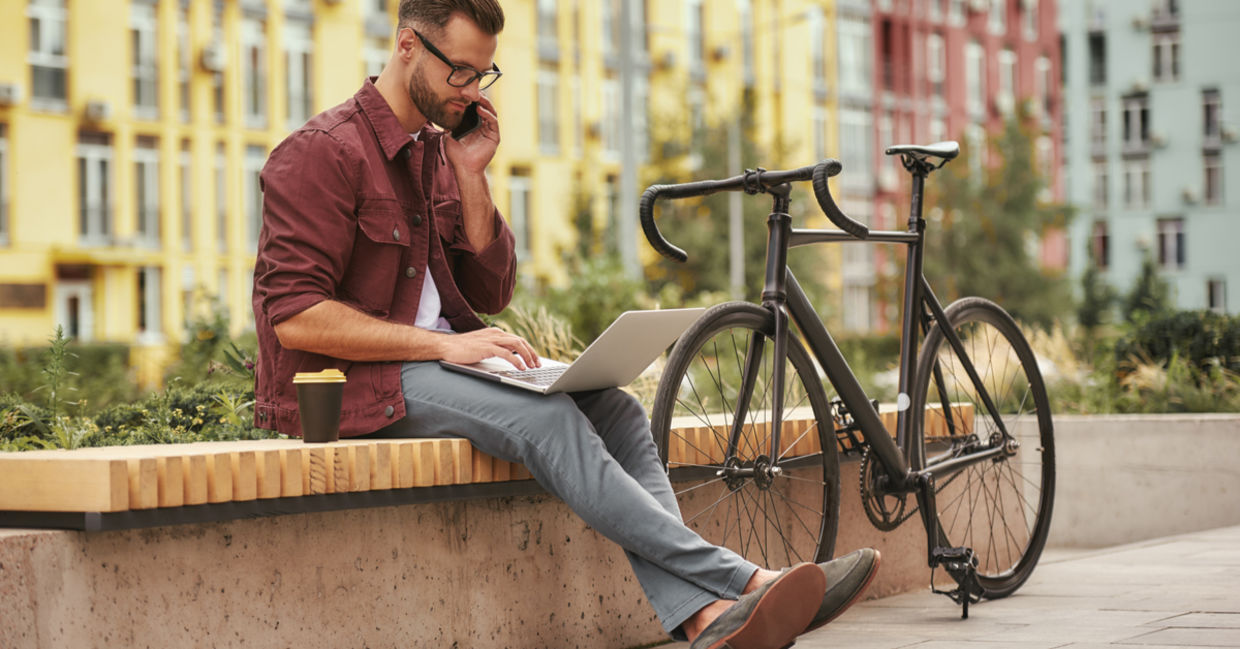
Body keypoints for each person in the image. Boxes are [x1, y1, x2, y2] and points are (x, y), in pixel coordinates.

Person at [251, 1, 879, 647]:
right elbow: (296, 317)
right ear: (407, 46)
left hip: (438, 366)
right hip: (355, 384)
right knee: (547, 420)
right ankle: (745, 580)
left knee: (617, 410)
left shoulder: (439, 155)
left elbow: (490, 290)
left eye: (482, 77)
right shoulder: (322, 153)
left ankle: (706, 619)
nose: (470, 91)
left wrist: (472, 178)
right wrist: (448, 344)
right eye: (460, 73)